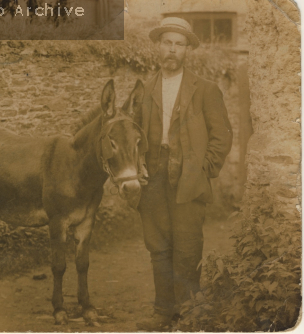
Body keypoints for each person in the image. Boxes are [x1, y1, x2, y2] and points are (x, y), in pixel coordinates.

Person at [135, 17, 233, 331]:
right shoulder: (146, 88)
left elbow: (222, 136)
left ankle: (189, 313)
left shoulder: (204, 89)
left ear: (187, 50)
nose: (172, 50)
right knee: (158, 246)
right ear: (158, 46)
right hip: (154, 176)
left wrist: (204, 171)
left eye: (179, 44)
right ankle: (163, 312)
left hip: (189, 178)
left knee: (188, 247)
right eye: (167, 43)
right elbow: (135, 133)